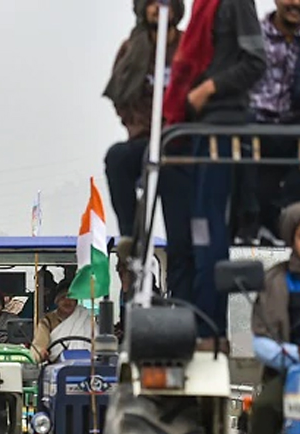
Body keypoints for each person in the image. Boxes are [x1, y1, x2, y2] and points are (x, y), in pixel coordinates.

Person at [159, 0, 266, 351]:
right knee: (200, 235)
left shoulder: (235, 3)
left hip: (227, 128)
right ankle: (203, 326)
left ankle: (211, 330)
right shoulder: (205, 8)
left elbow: (255, 60)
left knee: (212, 238)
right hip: (203, 131)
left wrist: (209, 89)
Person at [104, 0, 185, 237]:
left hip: (181, 141)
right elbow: (121, 95)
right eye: (151, 2)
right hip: (145, 138)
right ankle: (130, 236)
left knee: (178, 213)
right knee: (117, 158)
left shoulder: (188, 45)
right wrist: (138, 123)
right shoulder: (131, 49)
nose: (157, 8)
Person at [235, 0, 300, 246]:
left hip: (293, 126)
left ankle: (285, 224)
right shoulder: (255, 34)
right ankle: (249, 224)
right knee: (245, 131)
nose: (294, 3)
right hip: (254, 121)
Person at [246, 202, 300, 434]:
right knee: (265, 407)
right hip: (287, 372)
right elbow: (261, 337)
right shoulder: (274, 280)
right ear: (292, 238)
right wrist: (290, 357)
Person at [31, 280, 96, 363]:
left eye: (71, 298)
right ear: (57, 301)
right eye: (63, 298)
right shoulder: (47, 322)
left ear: (76, 301)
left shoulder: (85, 319)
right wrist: (41, 353)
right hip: (56, 365)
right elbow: (38, 346)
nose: (67, 301)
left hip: (88, 365)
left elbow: (98, 343)